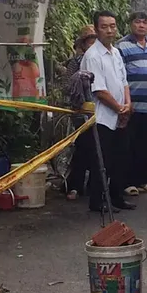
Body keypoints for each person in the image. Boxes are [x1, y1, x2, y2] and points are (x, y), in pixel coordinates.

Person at [81, 11, 135, 214]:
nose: (110, 30)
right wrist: (119, 108)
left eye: (112, 26)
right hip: (103, 117)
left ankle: (116, 196)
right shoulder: (93, 55)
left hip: (121, 115)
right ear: (96, 29)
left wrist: (127, 106)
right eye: (105, 26)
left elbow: (124, 82)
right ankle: (97, 201)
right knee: (102, 161)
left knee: (121, 158)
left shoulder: (116, 52)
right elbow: (100, 91)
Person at [117, 11, 147, 196]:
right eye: (138, 22)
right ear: (131, 24)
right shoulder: (122, 45)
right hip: (131, 105)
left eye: (145, 22)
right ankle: (128, 182)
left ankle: (143, 180)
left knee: (146, 145)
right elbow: (119, 75)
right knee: (129, 145)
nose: (142, 25)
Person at [62, 25, 97, 200]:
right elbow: (67, 86)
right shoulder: (76, 62)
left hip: (101, 111)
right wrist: (80, 82)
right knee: (83, 148)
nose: (93, 44)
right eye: (90, 41)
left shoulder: (104, 58)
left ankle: (93, 186)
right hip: (81, 112)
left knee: (96, 150)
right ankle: (74, 186)